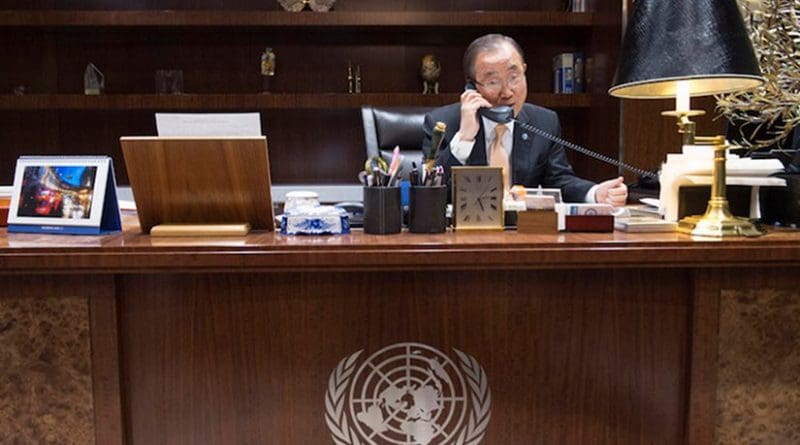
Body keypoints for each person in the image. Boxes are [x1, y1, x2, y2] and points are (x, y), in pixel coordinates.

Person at [422, 34, 627, 206]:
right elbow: (428, 193)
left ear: (525, 72)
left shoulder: (544, 122)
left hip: (525, 236)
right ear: (472, 87)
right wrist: (464, 138)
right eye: (493, 82)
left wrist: (595, 193)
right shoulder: (442, 123)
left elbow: (559, 181)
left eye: (514, 77)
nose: (507, 92)